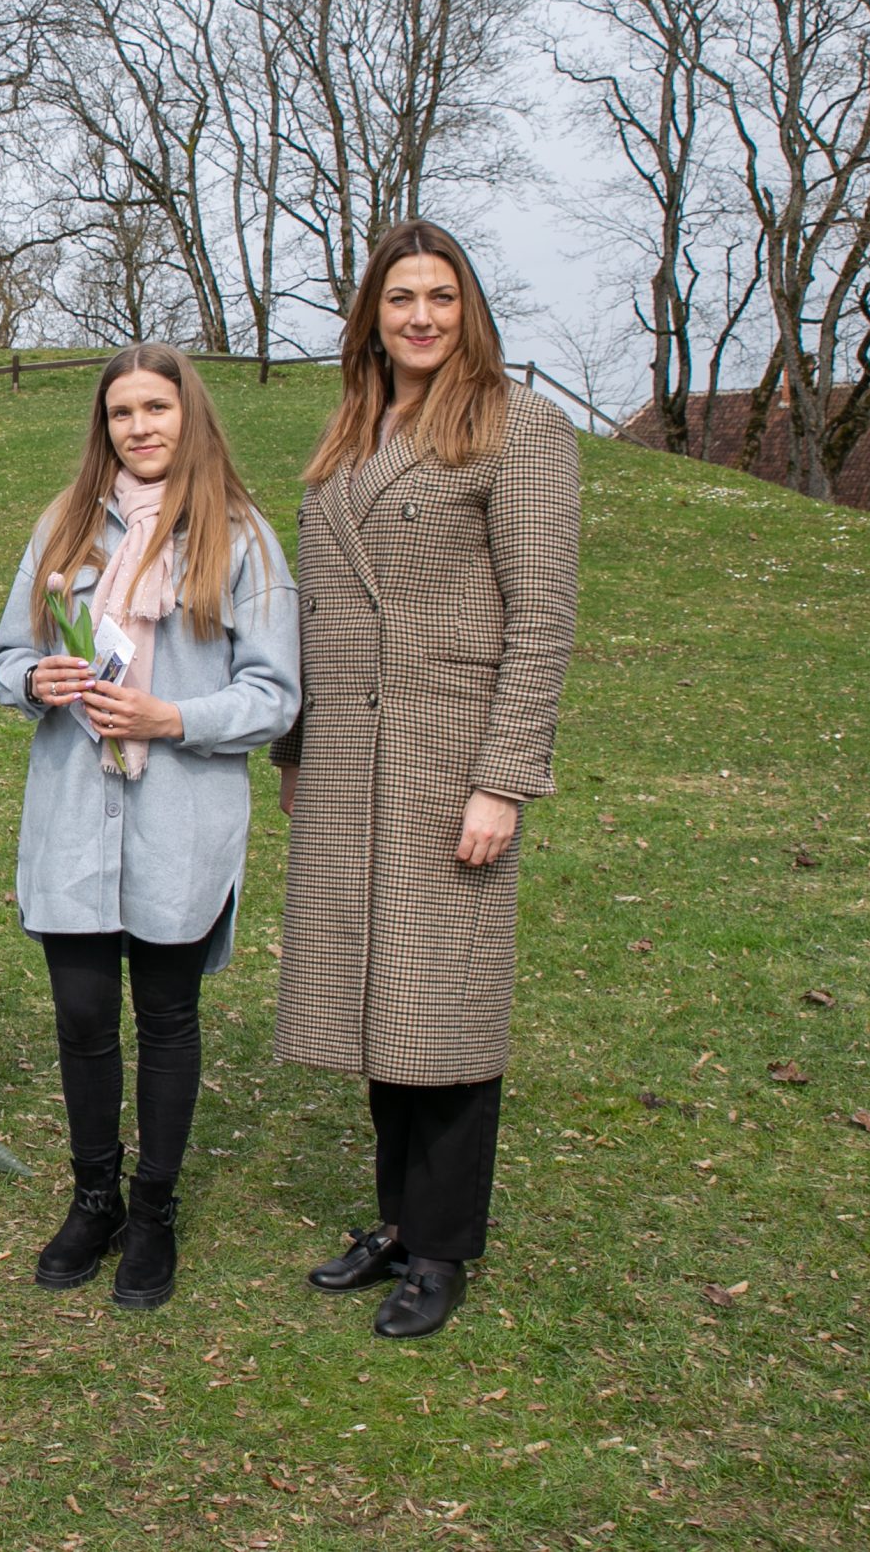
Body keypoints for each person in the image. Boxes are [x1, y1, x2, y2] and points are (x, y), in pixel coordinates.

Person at [271, 219, 581, 1341]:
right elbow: (315, 612)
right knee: (379, 992)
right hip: (347, 761)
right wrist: (296, 751)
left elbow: (542, 620)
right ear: (371, 316)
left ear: (469, 310)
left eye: (440, 297)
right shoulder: (353, 430)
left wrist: (504, 779)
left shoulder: (519, 426)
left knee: (441, 997)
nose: (420, 317)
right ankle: (400, 1220)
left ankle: (443, 1246)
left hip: (447, 756)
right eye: (400, 298)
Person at [0, 344, 300, 1310]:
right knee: (83, 1016)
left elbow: (275, 695)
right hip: (74, 816)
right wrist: (36, 677)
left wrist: (173, 717)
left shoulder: (239, 536)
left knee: (167, 1017)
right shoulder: (65, 524)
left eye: (156, 408)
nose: (139, 427)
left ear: (188, 413)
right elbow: (8, 653)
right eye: (121, 412)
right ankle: (95, 1198)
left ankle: (155, 1209)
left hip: (180, 816)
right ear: (104, 426)